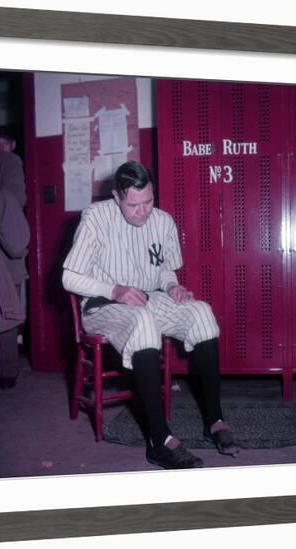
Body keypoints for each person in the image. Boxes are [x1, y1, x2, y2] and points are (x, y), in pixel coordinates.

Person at [62, 161, 240, 469]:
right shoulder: (95, 218)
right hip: (103, 304)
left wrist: (172, 287)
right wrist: (114, 289)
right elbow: (69, 278)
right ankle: (159, 441)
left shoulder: (162, 222)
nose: (143, 211)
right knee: (144, 322)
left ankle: (215, 420)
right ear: (117, 197)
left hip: (148, 298)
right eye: (134, 205)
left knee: (201, 313)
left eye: (148, 201)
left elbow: (164, 271)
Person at [0, 151, 30, 389]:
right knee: (8, 319)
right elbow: (16, 202)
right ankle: (8, 374)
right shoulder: (3, 193)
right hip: (6, 264)